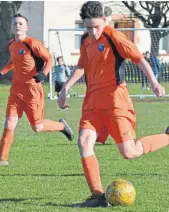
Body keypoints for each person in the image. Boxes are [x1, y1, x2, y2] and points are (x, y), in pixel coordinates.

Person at [58, 1, 168, 207]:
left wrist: (154, 82)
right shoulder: (85, 40)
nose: (92, 31)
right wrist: (65, 87)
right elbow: (81, 66)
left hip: (116, 101)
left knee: (129, 152)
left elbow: (138, 59)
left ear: (104, 20)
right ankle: (97, 196)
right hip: (92, 102)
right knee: (84, 141)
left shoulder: (114, 36)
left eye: (96, 26)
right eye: (88, 27)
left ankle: (167, 137)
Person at [0, 13, 73, 167]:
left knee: (37, 127)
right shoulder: (12, 44)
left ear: (26, 27)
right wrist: (0, 73)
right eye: (15, 23)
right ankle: (2, 159)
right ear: (12, 27)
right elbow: (12, 62)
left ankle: (61, 126)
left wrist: (43, 74)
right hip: (16, 91)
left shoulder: (33, 43)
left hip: (32, 90)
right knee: (9, 123)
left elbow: (49, 59)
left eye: (20, 23)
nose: (17, 26)